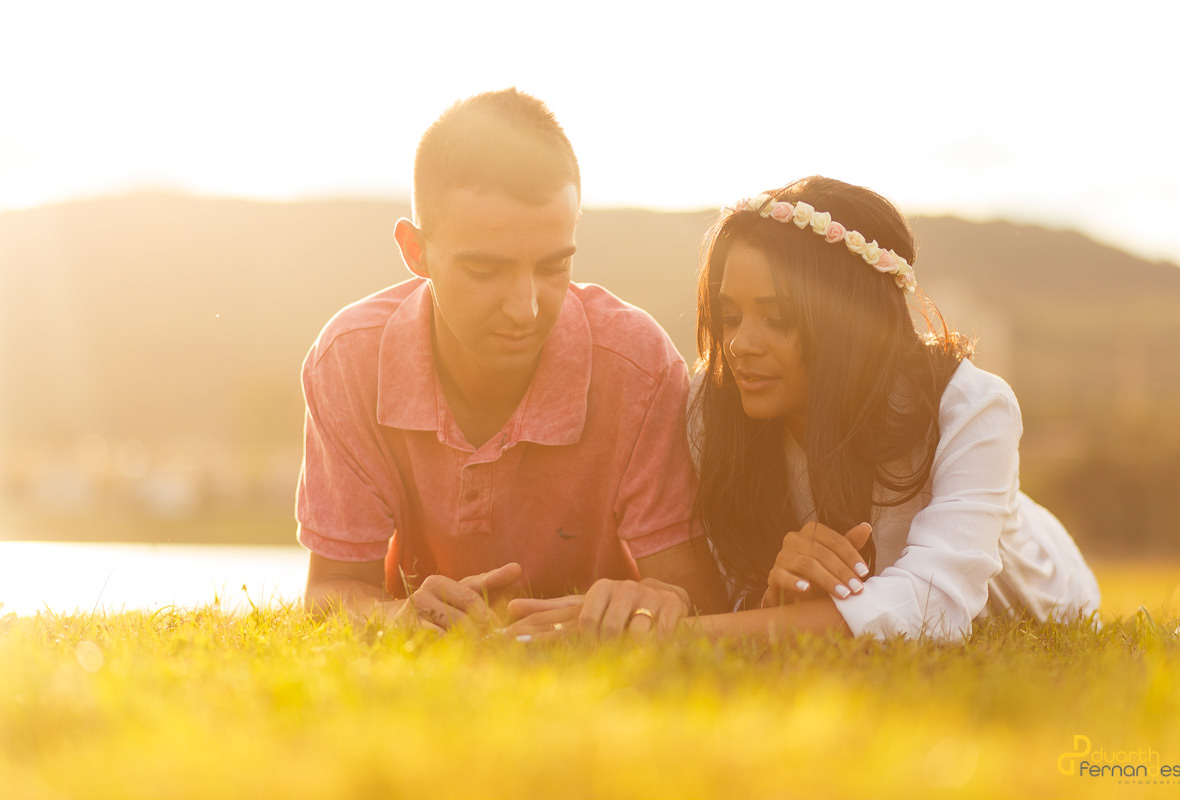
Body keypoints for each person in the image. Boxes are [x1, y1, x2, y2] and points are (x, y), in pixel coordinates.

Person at [296, 88, 723, 635]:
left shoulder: (637, 366)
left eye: (552, 266)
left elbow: (695, 593)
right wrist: (392, 616)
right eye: (485, 270)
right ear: (415, 251)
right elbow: (330, 587)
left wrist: (652, 601)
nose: (525, 307)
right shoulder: (349, 360)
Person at [680, 176, 1101, 639]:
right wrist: (779, 596)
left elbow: (933, 608)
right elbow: (738, 592)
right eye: (730, 317)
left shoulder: (971, 407)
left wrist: (671, 637)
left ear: (849, 318)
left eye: (778, 319)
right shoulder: (713, 406)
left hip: (1043, 600)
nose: (739, 344)